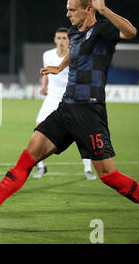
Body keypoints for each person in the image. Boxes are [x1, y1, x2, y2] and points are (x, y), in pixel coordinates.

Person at [0, 0, 139, 235]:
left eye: (72, 10)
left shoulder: (103, 30)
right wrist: (59, 67)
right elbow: (73, 50)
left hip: (90, 111)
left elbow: (131, 32)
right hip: (65, 109)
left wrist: (104, 10)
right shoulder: (74, 33)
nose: (67, 14)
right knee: (29, 156)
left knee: (108, 175)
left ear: (88, 9)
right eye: (67, 10)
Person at [33, 27, 96, 181]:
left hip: (70, 98)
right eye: (59, 38)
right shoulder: (47, 55)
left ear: (69, 40)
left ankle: (88, 168)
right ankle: (41, 166)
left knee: (81, 132)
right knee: (38, 130)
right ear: (55, 40)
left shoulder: (75, 55)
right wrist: (44, 86)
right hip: (52, 97)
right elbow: (48, 72)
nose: (61, 41)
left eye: (64, 38)